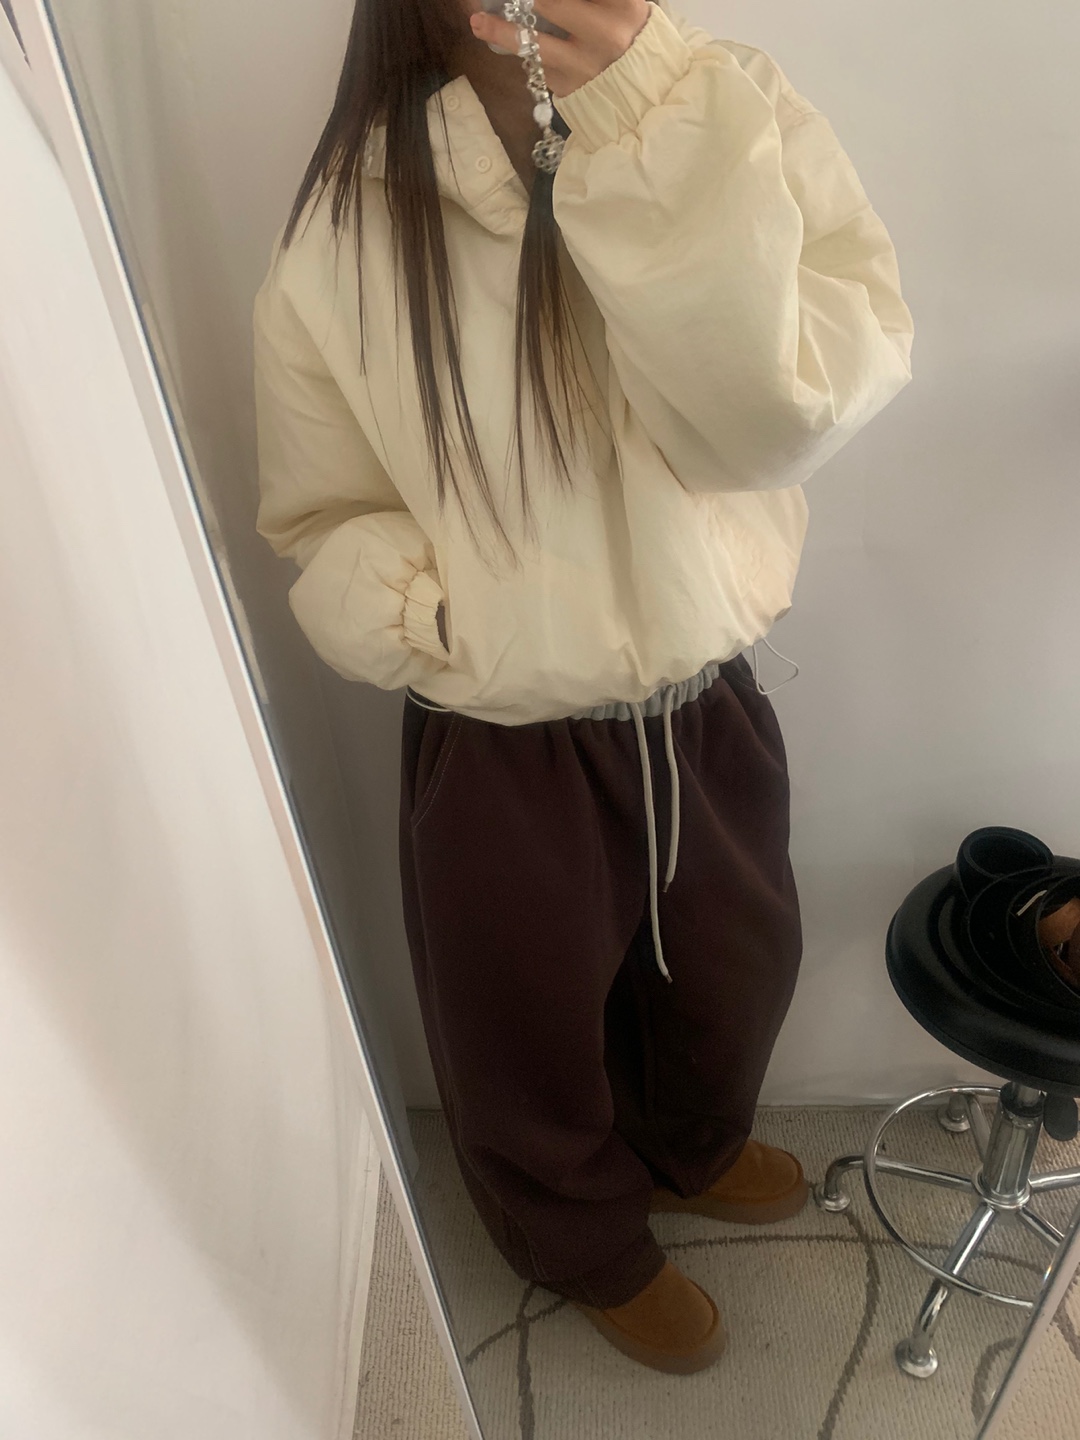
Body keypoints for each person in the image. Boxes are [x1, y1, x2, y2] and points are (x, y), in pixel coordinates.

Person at [252, 0, 914, 1374]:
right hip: (500, 730)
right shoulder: (350, 221)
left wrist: (649, 113)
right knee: (521, 1029)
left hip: (703, 699)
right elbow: (323, 506)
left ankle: (689, 1146)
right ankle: (577, 1237)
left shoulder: (726, 109)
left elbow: (781, 414)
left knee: (736, 970)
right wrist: (450, 619)